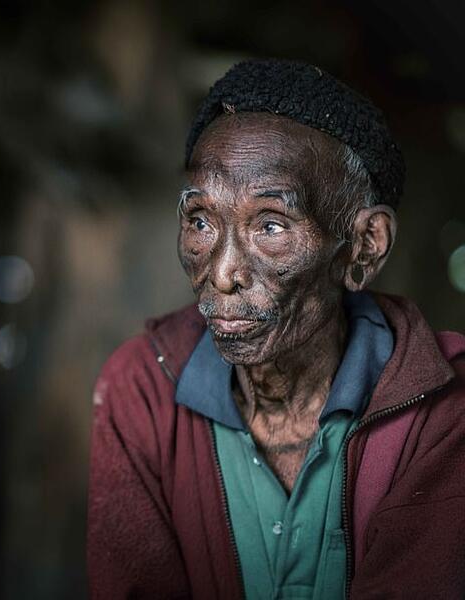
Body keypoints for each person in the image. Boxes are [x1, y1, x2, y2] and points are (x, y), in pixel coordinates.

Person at [86, 59, 465, 599]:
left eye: (270, 225)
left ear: (364, 246)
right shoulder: (141, 388)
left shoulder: (446, 405)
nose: (220, 273)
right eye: (200, 221)